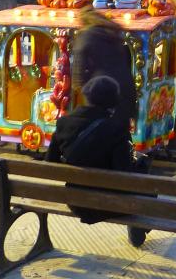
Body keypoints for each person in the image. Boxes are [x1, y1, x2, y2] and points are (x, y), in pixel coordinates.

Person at [45, 75, 150, 246]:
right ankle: (137, 224)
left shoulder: (64, 122)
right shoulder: (116, 128)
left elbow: (50, 162)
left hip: (75, 201)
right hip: (106, 205)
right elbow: (123, 175)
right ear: (113, 101)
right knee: (144, 172)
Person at [72, 7, 136, 134]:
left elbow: (79, 63)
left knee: (98, 127)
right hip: (125, 84)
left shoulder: (86, 35)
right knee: (120, 128)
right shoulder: (114, 33)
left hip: (100, 86)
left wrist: (79, 85)